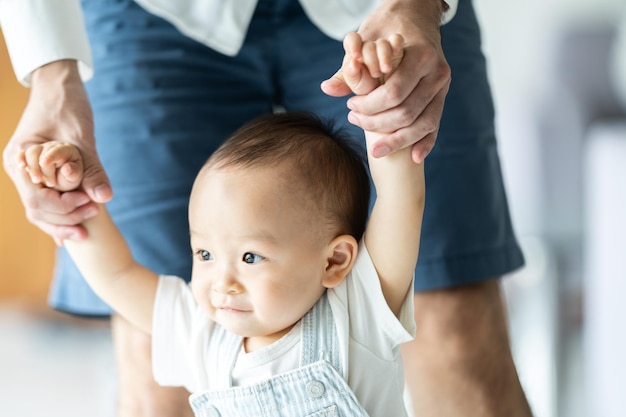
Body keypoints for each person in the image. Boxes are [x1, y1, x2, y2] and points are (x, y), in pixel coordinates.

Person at [1, 0, 532, 416]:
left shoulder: (363, 314)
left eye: (251, 257)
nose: (220, 282)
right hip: (158, 13)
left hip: (368, 18)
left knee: (459, 334)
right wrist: (75, 204)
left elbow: (400, 200)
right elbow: (118, 272)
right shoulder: (201, 329)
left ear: (336, 261)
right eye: (204, 253)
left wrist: (387, 117)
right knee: (146, 379)